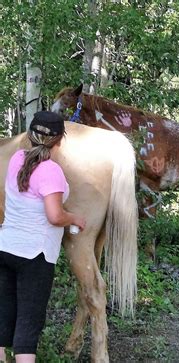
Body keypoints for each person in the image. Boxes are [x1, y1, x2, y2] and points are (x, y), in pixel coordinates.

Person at [0, 111, 86, 363]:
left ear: (29, 135)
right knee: (29, 321)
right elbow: (55, 216)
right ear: (59, 141)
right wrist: (74, 218)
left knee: (3, 314)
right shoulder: (51, 171)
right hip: (34, 255)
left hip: (5, 247)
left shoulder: (17, 158)